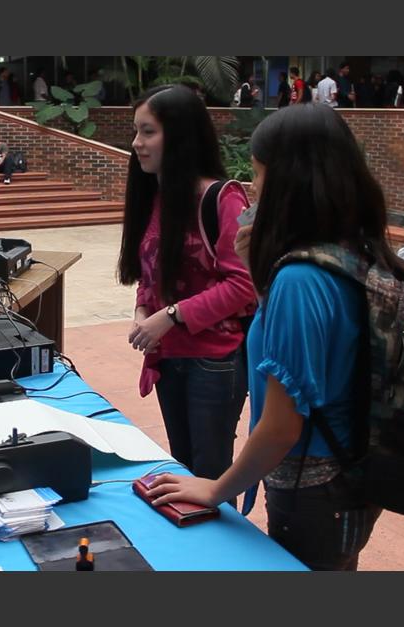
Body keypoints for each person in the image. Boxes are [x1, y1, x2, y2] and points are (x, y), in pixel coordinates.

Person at [145, 103, 404, 570]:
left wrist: (216, 487)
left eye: (259, 174)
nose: (252, 187)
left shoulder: (300, 279)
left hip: (313, 484)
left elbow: (282, 426)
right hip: (355, 471)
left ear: (291, 182)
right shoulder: (353, 250)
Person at [118, 85, 256, 484]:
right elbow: (150, 272)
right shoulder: (158, 195)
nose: (136, 144)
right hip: (171, 355)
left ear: (179, 135)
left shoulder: (222, 198)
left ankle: (219, 547)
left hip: (214, 360)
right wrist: (144, 309)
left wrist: (171, 316)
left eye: (147, 132)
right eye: (136, 131)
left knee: (209, 474)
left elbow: (243, 283)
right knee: (182, 467)